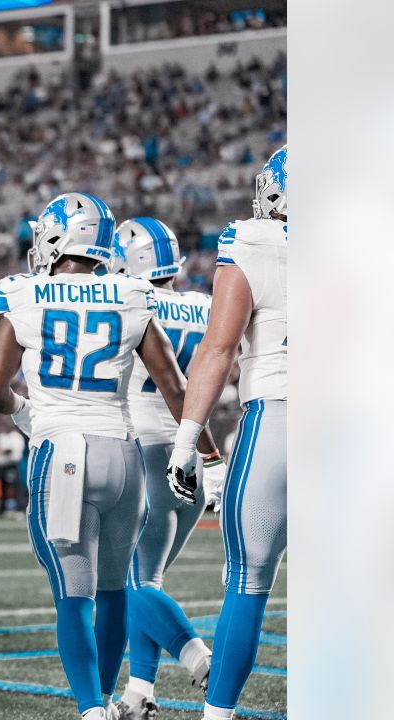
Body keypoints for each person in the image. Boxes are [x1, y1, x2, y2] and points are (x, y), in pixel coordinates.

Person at [0, 192, 222, 720]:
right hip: (125, 454)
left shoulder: (23, 293)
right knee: (116, 588)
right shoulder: (132, 293)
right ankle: (113, 700)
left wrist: (28, 418)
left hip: (62, 451)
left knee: (73, 595)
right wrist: (209, 456)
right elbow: (176, 388)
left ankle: (92, 709)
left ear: (55, 238)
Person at [166, 146, 287, 720]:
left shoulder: (253, 244)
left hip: (279, 421)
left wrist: (188, 440)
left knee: (248, 581)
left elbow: (217, 350)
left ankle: (219, 715)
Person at [108, 217, 226, 718]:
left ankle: (197, 655)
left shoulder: (128, 302)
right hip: (191, 458)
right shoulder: (201, 305)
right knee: (146, 581)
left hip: (146, 453)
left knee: (130, 584)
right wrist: (211, 456)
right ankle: (139, 692)